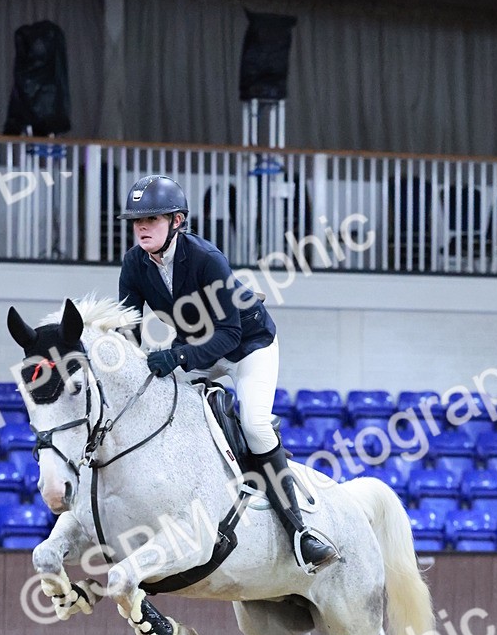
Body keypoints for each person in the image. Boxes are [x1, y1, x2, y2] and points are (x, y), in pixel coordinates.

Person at [118, 175, 339, 573]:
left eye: (152, 218)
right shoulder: (134, 264)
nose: (142, 227)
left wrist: (176, 357)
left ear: (178, 221)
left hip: (248, 347)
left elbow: (230, 334)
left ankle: (300, 533)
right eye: (137, 221)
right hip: (200, 350)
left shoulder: (206, 258)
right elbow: (128, 329)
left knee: (254, 425)